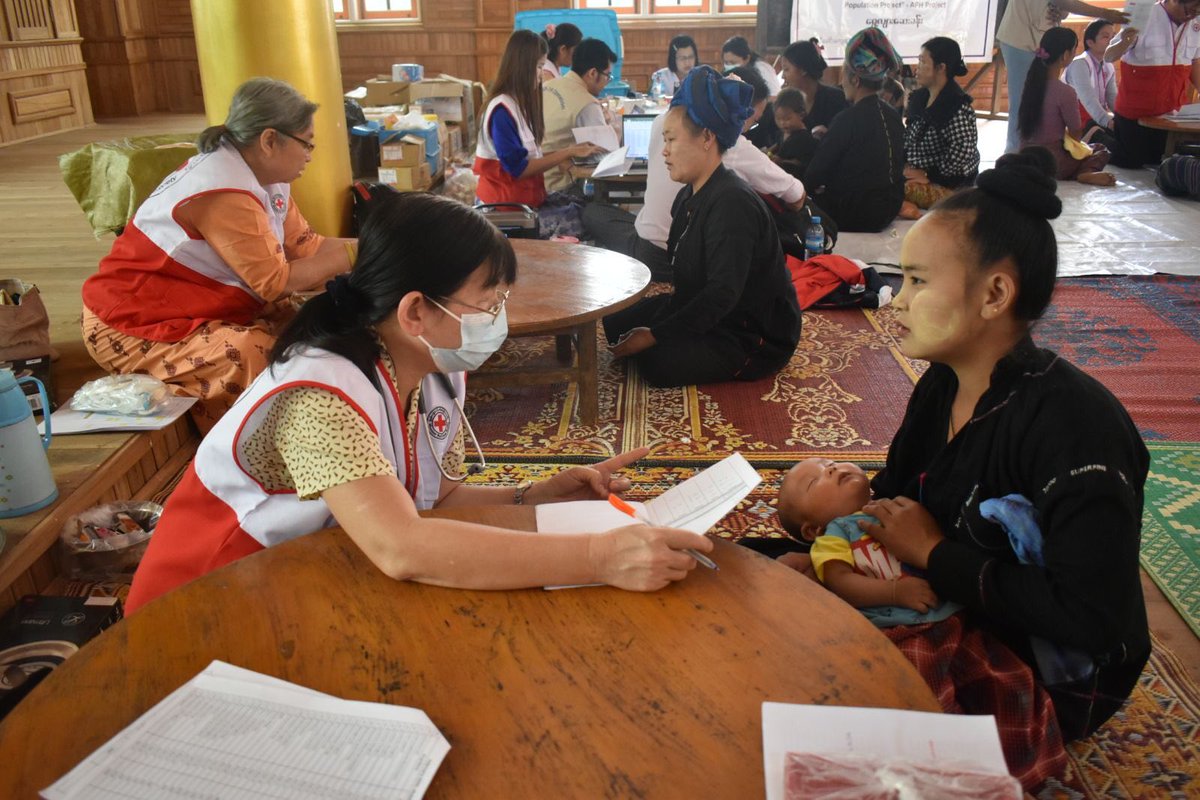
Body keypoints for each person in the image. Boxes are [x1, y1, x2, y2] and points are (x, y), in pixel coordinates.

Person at [125, 192, 713, 613]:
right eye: (489, 303)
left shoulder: (430, 369)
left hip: (311, 571)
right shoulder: (317, 397)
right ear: (415, 312)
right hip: (211, 597)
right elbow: (401, 545)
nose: (500, 319)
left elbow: (437, 500)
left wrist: (532, 495)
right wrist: (597, 558)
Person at [858, 150, 1150, 789]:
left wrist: (934, 554)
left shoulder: (1077, 428)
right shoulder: (942, 384)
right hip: (951, 597)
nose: (895, 302)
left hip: (1054, 666)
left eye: (916, 281)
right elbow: (895, 496)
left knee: (856, 702)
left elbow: (1091, 618)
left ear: (994, 294)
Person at [81, 77, 356, 433]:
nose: (310, 155)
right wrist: (354, 252)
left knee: (309, 326)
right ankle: (252, 452)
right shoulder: (224, 190)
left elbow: (308, 246)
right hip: (132, 326)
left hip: (195, 307)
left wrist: (378, 244)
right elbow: (275, 283)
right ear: (269, 140)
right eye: (307, 143)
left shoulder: (267, 178)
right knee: (254, 353)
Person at [601, 67, 801, 387]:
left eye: (671, 140)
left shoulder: (733, 203)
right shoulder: (688, 194)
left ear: (707, 138)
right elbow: (691, 285)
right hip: (708, 308)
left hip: (749, 331)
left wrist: (655, 335)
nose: (664, 151)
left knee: (656, 363)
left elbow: (722, 295)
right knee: (616, 320)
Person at [582, 72, 807, 283]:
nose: (666, 152)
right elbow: (796, 194)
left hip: (657, 251)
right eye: (751, 120)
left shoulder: (662, 121)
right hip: (683, 256)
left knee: (594, 212)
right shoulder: (730, 145)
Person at [776, 458, 959, 628]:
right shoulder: (833, 537)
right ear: (812, 530)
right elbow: (840, 584)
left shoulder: (891, 504)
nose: (831, 469)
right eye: (813, 482)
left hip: (951, 608)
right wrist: (895, 592)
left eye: (831, 463)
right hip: (899, 625)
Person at [474, 30, 600, 210]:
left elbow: (531, 157)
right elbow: (519, 168)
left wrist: (572, 151)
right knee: (581, 216)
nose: (541, 74)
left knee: (582, 208)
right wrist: (567, 152)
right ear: (522, 66)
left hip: (525, 200)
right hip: (506, 207)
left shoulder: (517, 104)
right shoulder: (502, 111)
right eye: (539, 66)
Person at [804, 27, 906, 232]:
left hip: (855, 213)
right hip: (891, 207)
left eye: (844, 74)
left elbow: (814, 176)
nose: (841, 81)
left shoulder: (847, 119)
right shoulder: (893, 115)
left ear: (855, 80)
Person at [996, 0, 1127, 153]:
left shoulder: (1105, 67)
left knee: (1040, 103)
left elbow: (1063, 7)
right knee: (1022, 103)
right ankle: (1014, 154)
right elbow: (1065, 2)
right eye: (1105, 36)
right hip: (1021, 39)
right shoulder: (1079, 68)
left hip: (1041, 37)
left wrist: (1062, 12)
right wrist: (1105, 13)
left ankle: (1036, 152)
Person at [1107, 0, 1200, 167]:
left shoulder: (1196, 22)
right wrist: (1125, 42)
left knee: (1165, 166)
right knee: (1133, 166)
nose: (1193, 15)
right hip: (1135, 116)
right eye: (1190, 9)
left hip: (1172, 116)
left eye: (1198, 11)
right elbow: (1109, 56)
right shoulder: (1143, 14)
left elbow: (1195, 62)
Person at [1018, 27, 1115, 185]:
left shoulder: (1029, 86)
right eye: (1074, 50)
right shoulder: (1065, 91)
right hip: (1052, 161)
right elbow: (1076, 133)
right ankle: (1086, 173)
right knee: (1099, 149)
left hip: (1025, 158)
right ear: (1065, 55)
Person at [902, 36, 980, 216]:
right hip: (918, 172)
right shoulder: (920, 97)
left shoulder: (957, 106)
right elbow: (908, 138)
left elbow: (962, 153)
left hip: (951, 184)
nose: (917, 68)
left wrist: (928, 176)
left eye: (923, 62)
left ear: (941, 67)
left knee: (894, 188)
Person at [542, 38, 619, 192]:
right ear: (593, 73)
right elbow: (606, 152)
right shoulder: (587, 104)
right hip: (560, 185)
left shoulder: (547, 86)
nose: (607, 82)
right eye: (608, 76)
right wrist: (614, 127)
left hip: (535, 177)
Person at [1064, 19, 1120, 154]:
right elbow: (1088, 100)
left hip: (1097, 119)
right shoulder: (1080, 64)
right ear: (1090, 42)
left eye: (1113, 37)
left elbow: (1112, 98)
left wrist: (1122, 119)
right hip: (1079, 123)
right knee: (1117, 150)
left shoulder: (1108, 65)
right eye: (1105, 37)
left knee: (1131, 139)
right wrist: (1108, 122)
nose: (1111, 41)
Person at [779, 39, 849, 137]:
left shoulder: (835, 99)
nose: (783, 76)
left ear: (803, 70)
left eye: (786, 69)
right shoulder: (787, 102)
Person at [770, 87, 818, 179]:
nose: (782, 123)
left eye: (787, 118)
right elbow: (778, 145)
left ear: (801, 115)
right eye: (778, 119)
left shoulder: (803, 138)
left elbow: (801, 164)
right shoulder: (784, 132)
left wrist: (779, 160)